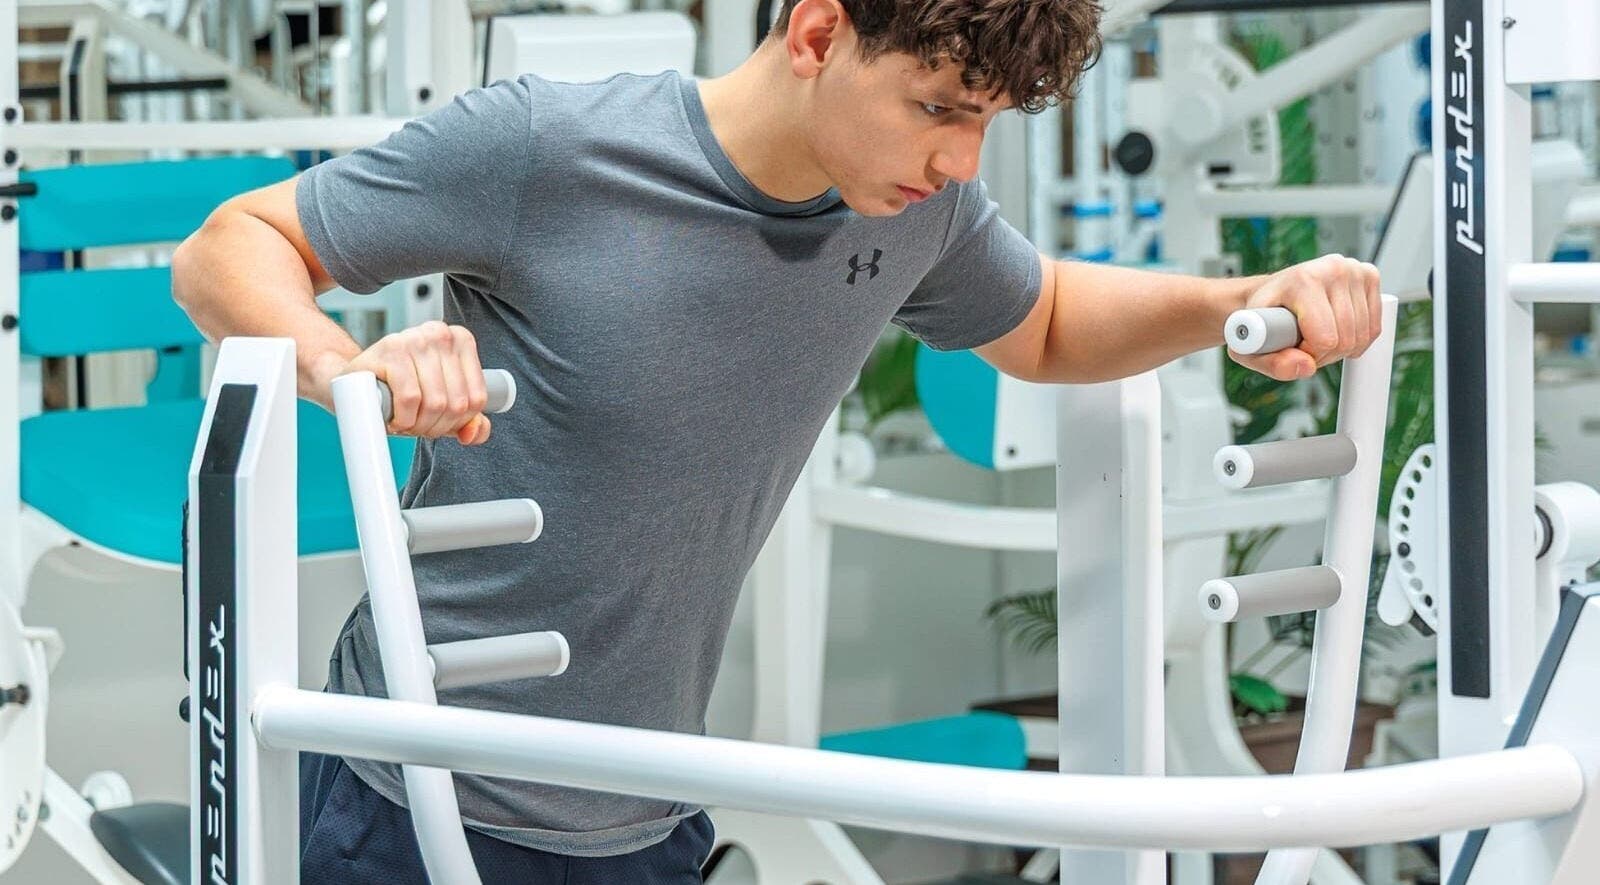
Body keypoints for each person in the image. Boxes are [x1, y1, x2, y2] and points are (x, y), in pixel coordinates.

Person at [171, 0, 1382, 879]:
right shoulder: (545, 147)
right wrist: (352, 369)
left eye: (988, 124)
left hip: (653, 805)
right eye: (936, 110)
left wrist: (1229, 303)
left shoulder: (923, 211)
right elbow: (227, 248)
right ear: (815, 35)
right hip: (417, 784)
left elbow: (1050, 320)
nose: (960, 160)